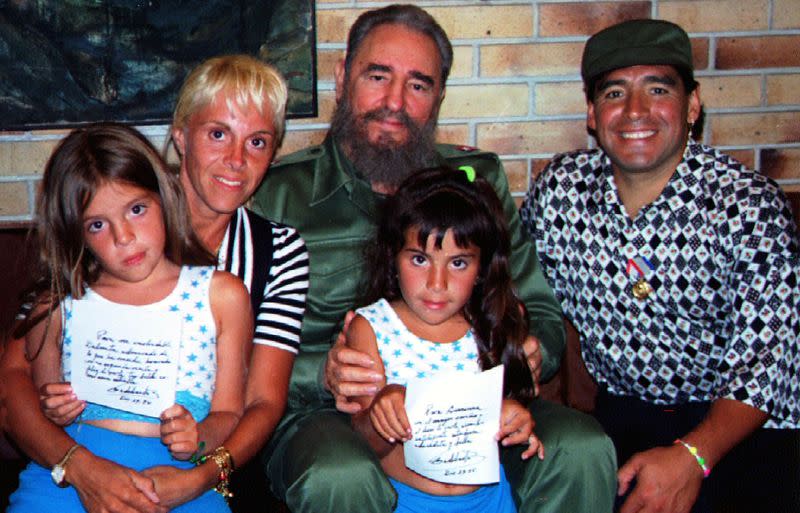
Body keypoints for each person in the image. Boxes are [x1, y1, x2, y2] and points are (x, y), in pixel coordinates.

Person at [250, 4, 616, 513]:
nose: (394, 102)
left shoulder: (477, 184)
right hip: (323, 417)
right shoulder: (277, 196)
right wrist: (325, 373)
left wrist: (532, 351)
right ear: (343, 77)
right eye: (378, 77)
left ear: (438, 97)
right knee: (340, 476)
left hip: (475, 408)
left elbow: (542, 312)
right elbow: (234, 350)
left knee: (580, 449)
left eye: (418, 85)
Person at [2, 55, 309, 512]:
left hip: (198, 467)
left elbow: (261, 403)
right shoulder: (113, 204)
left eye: (258, 142)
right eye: (218, 133)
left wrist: (201, 476)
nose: (236, 160)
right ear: (181, 136)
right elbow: (17, 375)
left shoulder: (277, 252)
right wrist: (79, 463)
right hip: (76, 460)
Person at [520, 18, 800, 513]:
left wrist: (693, 457)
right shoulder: (559, 193)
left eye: (657, 88)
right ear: (592, 112)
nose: (635, 112)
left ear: (692, 105)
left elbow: (767, 367)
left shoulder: (748, 205)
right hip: (622, 416)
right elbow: (511, 284)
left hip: (741, 427)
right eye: (614, 94)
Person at [6, 123, 252, 513]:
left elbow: (230, 412)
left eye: (137, 209)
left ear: (163, 196)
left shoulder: (220, 295)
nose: (124, 237)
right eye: (98, 225)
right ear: (77, 234)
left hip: (175, 477)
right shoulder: (60, 304)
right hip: (69, 475)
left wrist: (199, 437)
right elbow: (42, 404)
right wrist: (54, 406)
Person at [348, 166, 545, 513]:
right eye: (420, 259)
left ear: (482, 267)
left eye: (457, 263)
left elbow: (509, 411)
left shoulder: (492, 323)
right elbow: (365, 441)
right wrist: (384, 405)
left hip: (491, 501)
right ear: (394, 257)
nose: (437, 283)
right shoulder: (373, 327)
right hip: (408, 503)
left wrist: (516, 417)